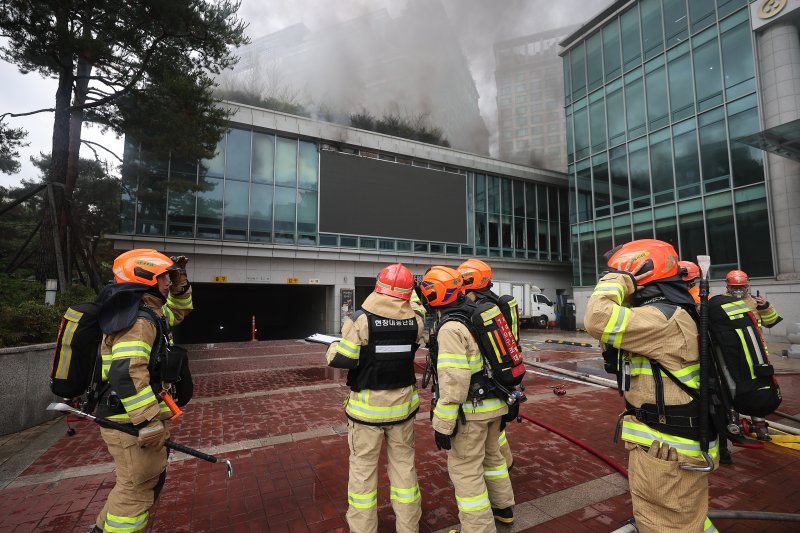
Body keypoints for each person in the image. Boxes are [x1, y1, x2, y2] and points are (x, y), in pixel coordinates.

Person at [584, 240, 718, 533]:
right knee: (688, 519)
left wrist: (617, 279)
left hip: (666, 450)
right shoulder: (675, 311)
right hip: (673, 444)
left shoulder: (661, 318)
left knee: (664, 524)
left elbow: (597, 318)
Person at [92, 249, 193, 533]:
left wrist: (180, 281)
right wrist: (148, 421)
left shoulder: (148, 312)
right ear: (145, 278)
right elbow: (126, 373)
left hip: (127, 419)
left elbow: (180, 311)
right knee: (136, 492)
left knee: (132, 484)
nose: (167, 283)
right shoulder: (138, 321)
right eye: (164, 277)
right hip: (130, 422)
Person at [326, 263, 424, 533]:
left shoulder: (361, 319)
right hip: (403, 410)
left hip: (366, 414)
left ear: (378, 286)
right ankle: (409, 527)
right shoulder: (415, 321)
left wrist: (333, 346)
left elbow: (342, 358)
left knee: (363, 476)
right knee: (404, 470)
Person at [419, 266, 515, 531]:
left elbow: (453, 384)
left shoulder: (450, 327)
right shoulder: (478, 312)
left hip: (471, 412)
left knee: (466, 470)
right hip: (496, 404)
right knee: (493, 458)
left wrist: (443, 425)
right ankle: (503, 509)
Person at [456, 258, 518, 470]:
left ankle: (501, 464)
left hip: (486, 385)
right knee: (496, 432)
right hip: (503, 381)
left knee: (488, 438)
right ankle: (505, 463)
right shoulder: (498, 304)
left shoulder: (477, 310)